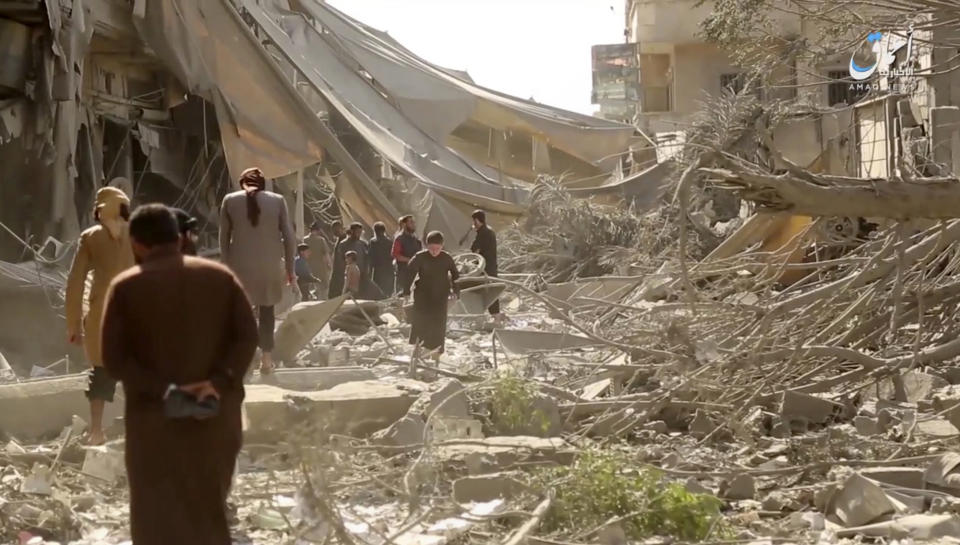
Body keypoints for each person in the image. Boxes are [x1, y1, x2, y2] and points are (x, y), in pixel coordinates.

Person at [101, 204, 258, 545]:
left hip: (154, 421)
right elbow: (248, 336)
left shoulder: (126, 287)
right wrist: (216, 382)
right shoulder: (220, 277)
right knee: (209, 510)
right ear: (178, 236)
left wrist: (169, 390)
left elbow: (113, 360)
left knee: (155, 515)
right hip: (213, 413)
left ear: (138, 244)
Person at [65, 186, 135, 445]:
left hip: (101, 313)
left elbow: (75, 282)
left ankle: (96, 431)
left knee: (101, 371)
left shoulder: (90, 237)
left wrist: (73, 324)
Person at [219, 167, 296, 376]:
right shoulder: (278, 200)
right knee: (267, 312)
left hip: (240, 267)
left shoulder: (229, 201)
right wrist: (290, 269)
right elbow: (289, 238)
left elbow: (223, 240)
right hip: (269, 267)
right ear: (263, 184)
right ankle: (266, 360)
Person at [408, 231, 460, 359]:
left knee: (438, 324)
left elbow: (455, 275)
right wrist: (405, 292)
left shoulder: (447, 258)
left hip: (440, 296)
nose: (434, 251)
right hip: (422, 296)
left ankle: (436, 353)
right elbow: (409, 273)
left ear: (442, 246)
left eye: (437, 248)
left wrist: (456, 291)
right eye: (431, 248)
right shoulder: (420, 257)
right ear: (426, 246)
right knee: (421, 322)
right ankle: (418, 351)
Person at [470, 210, 502, 319]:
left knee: (485, 290)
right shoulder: (489, 231)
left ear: (476, 220)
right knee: (491, 290)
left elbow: (475, 250)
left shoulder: (483, 233)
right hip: (491, 266)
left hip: (484, 268)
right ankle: (495, 314)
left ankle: (483, 313)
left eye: (474, 221)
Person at [392, 215, 422, 297]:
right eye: (411, 222)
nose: (413, 225)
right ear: (405, 225)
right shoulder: (399, 239)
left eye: (414, 222)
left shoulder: (416, 240)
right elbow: (395, 254)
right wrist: (409, 260)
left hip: (416, 273)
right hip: (404, 272)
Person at [368, 221, 394, 299]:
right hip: (388, 268)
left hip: (378, 269)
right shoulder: (389, 242)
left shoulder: (373, 242)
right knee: (388, 290)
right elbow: (392, 255)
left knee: (378, 289)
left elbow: (370, 256)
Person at [304, 221, 331, 296]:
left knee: (309, 288)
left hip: (308, 267)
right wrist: (329, 265)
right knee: (323, 288)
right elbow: (326, 255)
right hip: (320, 268)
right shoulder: (321, 240)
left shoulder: (304, 240)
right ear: (318, 230)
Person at [327, 220, 347, 298]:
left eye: (337, 229)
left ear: (341, 228)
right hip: (337, 272)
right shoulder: (339, 240)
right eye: (334, 230)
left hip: (342, 272)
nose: (335, 232)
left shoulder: (345, 240)